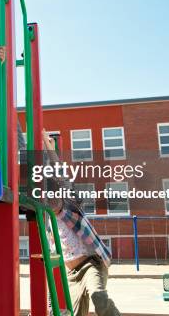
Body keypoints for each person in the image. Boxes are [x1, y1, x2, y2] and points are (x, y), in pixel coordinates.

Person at [41, 131, 121, 316]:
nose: (50, 202)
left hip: (90, 264)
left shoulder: (70, 207)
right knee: (76, 313)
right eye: (46, 199)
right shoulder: (45, 219)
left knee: (98, 296)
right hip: (70, 274)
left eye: (53, 197)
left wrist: (50, 148)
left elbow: (60, 174)